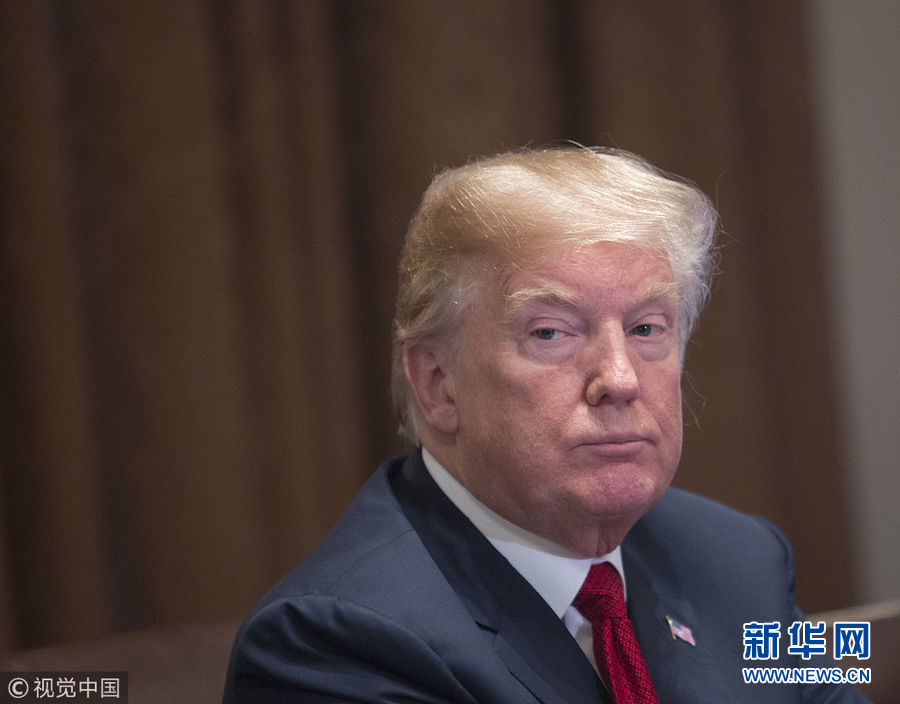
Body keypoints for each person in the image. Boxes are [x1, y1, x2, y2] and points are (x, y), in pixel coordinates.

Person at [223, 146, 869, 703]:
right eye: (551, 333)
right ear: (438, 383)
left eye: (647, 328)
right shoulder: (332, 645)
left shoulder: (741, 560)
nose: (619, 378)